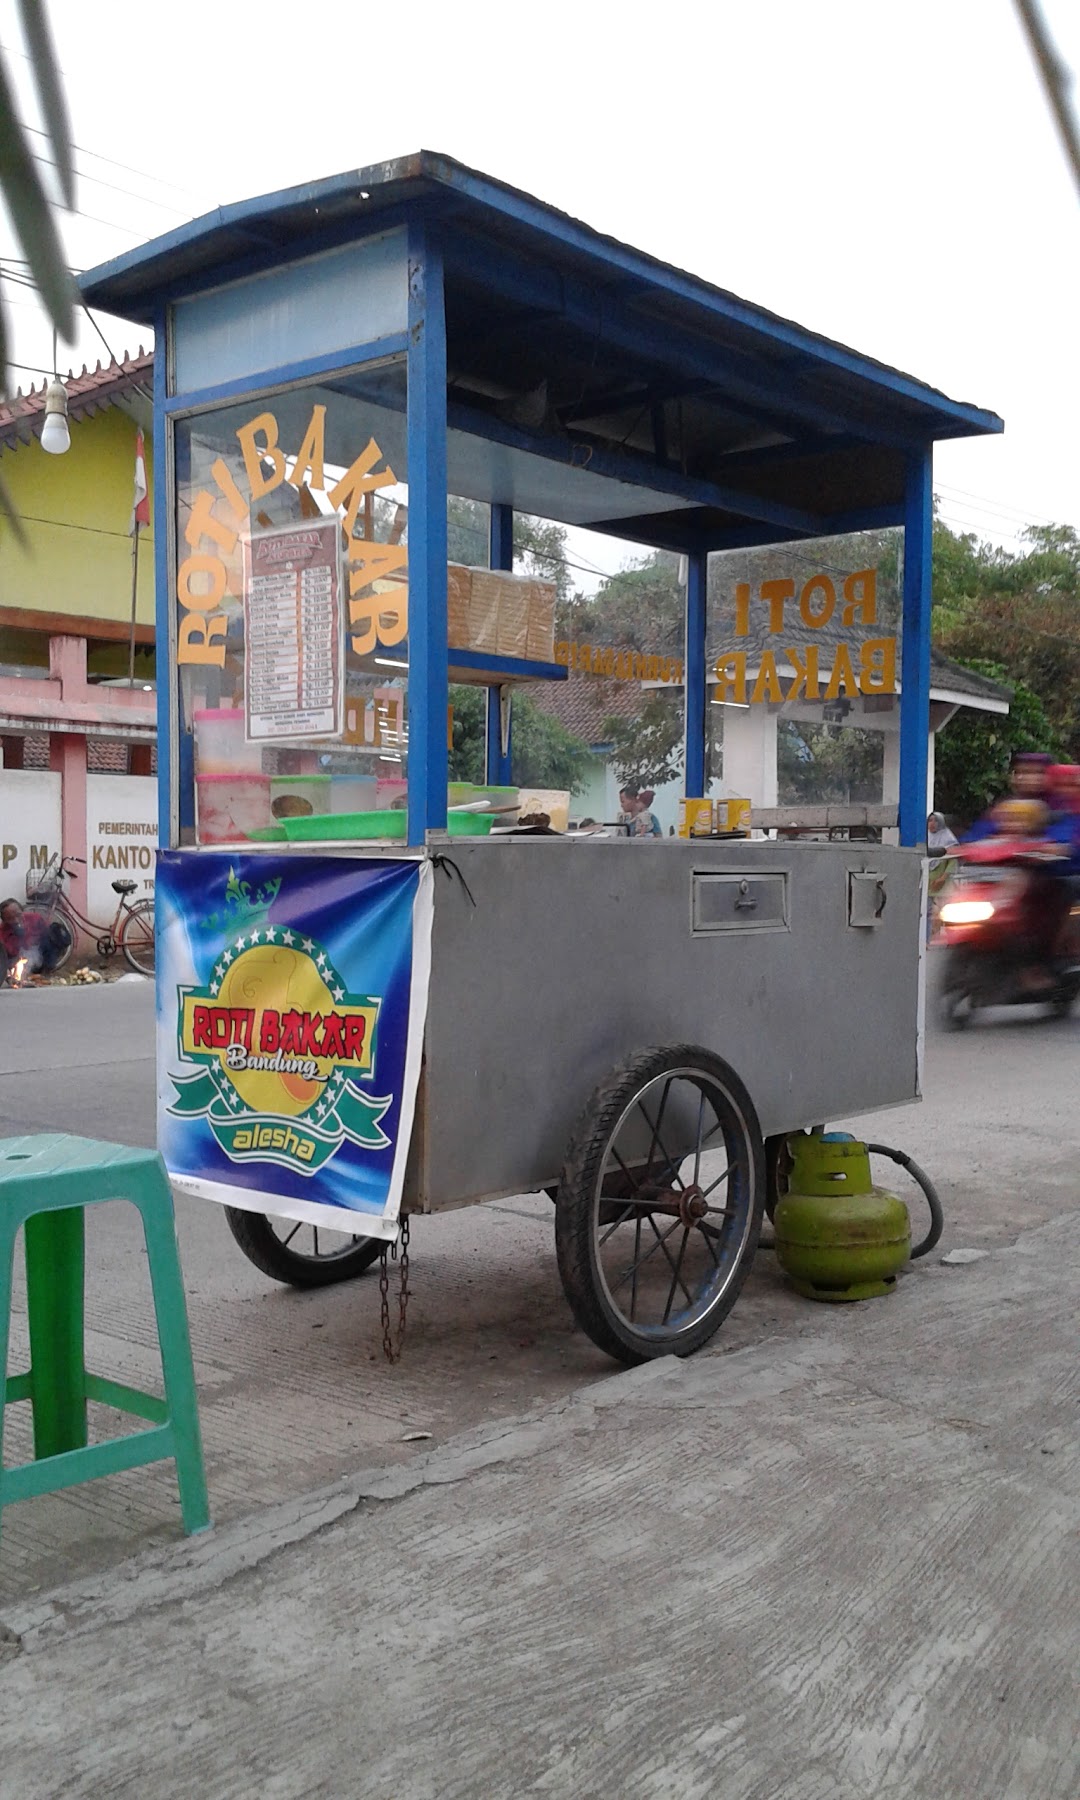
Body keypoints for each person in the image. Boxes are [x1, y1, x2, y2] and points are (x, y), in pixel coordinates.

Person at [0, 897, 68, 980]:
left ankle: (46, 971)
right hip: (18, 961)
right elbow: (8, 953)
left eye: (18, 915)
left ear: (22, 911)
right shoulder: (2, 931)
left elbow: (47, 935)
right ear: (4, 920)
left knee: (50, 938)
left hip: (39, 958)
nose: (16, 920)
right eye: (10, 918)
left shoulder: (35, 918)